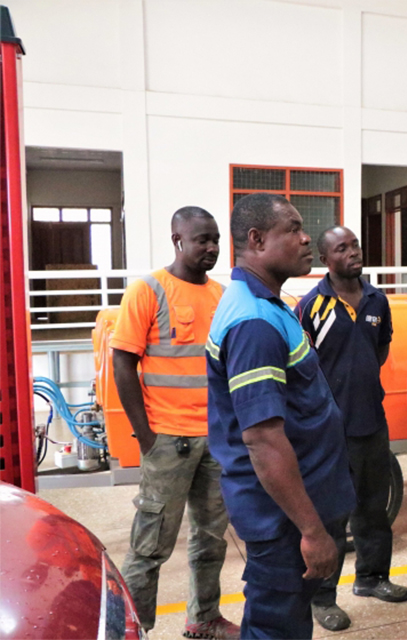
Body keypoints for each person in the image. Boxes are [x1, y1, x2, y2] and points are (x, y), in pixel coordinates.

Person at [206, 194, 355, 639]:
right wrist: (311, 531)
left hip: (292, 506)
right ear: (256, 240)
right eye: (292, 229)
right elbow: (263, 439)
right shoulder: (253, 322)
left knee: (280, 621)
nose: (306, 237)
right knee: (277, 627)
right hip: (283, 518)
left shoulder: (267, 304)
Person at [110, 207, 239, 640]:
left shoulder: (222, 296)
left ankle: (203, 618)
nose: (212, 247)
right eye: (202, 239)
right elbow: (123, 363)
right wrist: (146, 435)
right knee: (150, 545)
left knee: (211, 538)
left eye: (216, 239)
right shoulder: (148, 290)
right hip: (168, 441)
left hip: (215, 440)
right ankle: (132, 630)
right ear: (177, 240)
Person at [295, 226, 407, 633]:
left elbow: (380, 349)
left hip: (371, 421)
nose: (353, 253)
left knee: (373, 508)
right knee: (331, 516)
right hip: (329, 428)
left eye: (355, 245)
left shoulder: (378, 299)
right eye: (341, 249)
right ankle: (322, 598)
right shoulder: (311, 306)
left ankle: (372, 578)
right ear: (325, 259)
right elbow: (302, 367)